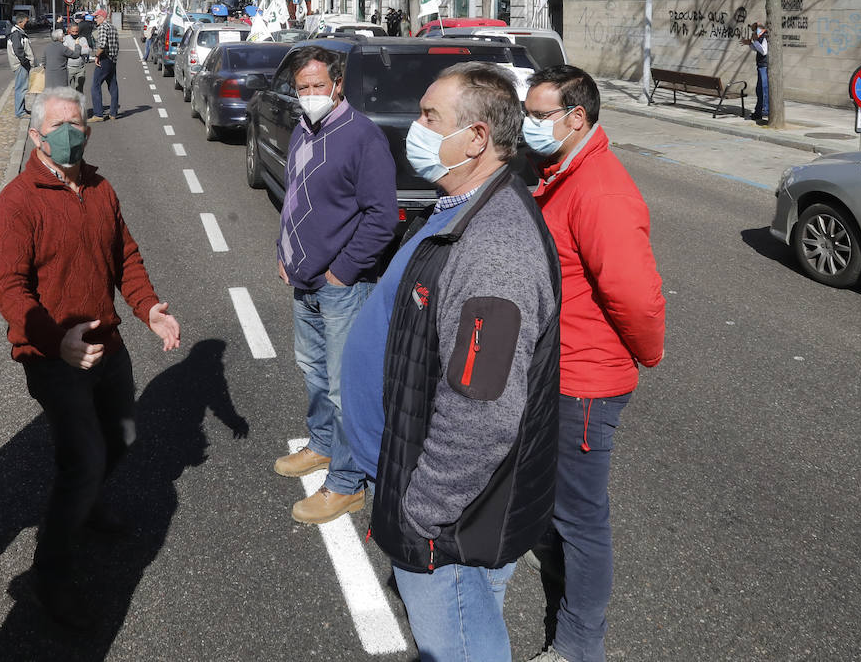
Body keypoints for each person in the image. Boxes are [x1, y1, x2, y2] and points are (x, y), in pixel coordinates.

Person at [340, 61, 561, 660]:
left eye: (429, 117)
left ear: (478, 137)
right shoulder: (458, 207)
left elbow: (482, 411)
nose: (415, 128)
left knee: (459, 642)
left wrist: (422, 514)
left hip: (447, 523)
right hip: (415, 479)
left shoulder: (494, 251)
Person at [0, 87, 181, 628]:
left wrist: (149, 310)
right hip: (53, 357)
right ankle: (49, 579)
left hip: (108, 345)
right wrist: (56, 342)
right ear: (35, 136)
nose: (70, 134)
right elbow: (11, 290)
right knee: (82, 462)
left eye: (78, 124)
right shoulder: (16, 203)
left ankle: (89, 500)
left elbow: (126, 256)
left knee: (122, 438)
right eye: (58, 127)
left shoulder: (99, 188)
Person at [521, 65, 666, 662]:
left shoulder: (598, 188)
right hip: (557, 369)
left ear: (575, 118)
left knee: (582, 520)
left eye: (537, 116)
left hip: (584, 380)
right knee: (559, 507)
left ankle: (580, 645)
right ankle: (564, 593)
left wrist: (646, 353)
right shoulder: (558, 172)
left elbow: (635, 295)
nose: (528, 126)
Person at [273, 46, 396, 524]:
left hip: (342, 285)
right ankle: (322, 445)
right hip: (303, 278)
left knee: (347, 388)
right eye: (302, 88)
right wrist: (282, 252)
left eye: (317, 86)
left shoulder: (362, 137)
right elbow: (296, 198)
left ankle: (347, 483)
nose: (309, 95)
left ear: (338, 85)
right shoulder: (304, 130)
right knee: (312, 369)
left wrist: (341, 271)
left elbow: (381, 217)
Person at [88, 9, 120, 120]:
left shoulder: (102, 27)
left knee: (95, 86)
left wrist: (97, 56)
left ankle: (98, 114)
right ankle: (113, 112)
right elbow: (116, 45)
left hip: (104, 59)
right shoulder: (113, 27)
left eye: (96, 17)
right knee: (113, 86)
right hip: (112, 59)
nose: (95, 19)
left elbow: (102, 44)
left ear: (101, 17)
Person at [7, 13, 35, 118]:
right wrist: (25, 61)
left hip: (21, 64)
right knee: (21, 88)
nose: (26, 24)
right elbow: (18, 50)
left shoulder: (17, 32)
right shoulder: (16, 34)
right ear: (20, 22)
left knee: (22, 87)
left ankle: (21, 109)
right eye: (25, 22)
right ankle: (19, 112)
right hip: (20, 65)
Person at [43, 23, 84, 90]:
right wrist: (77, 45)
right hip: (60, 74)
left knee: (51, 93)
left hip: (49, 75)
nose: (64, 36)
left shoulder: (47, 47)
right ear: (60, 38)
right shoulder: (63, 48)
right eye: (63, 35)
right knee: (61, 94)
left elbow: (44, 61)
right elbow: (76, 55)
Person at [743, 22, 769, 122]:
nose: (753, 32)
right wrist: (751, 44)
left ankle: (765, 110)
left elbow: (764, 51)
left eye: (754, 30)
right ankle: (758, 111)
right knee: (759, 90)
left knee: (764, 88)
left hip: (764, 66)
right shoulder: (760, 37)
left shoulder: (764, 37)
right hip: (761, 66)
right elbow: (758, 49)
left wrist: (755, 41)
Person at [62, 22, 92, 92]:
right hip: (68, 68)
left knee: (79, 90)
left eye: (76, 31)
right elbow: (65, 51)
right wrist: (79, 49)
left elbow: (87, 50)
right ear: (69, 31)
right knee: (66, 90)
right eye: (73, 31)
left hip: (80, 69)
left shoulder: (83, 39)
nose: (75, 33)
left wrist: (74, 51)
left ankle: (79, 103)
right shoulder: (65, 39)